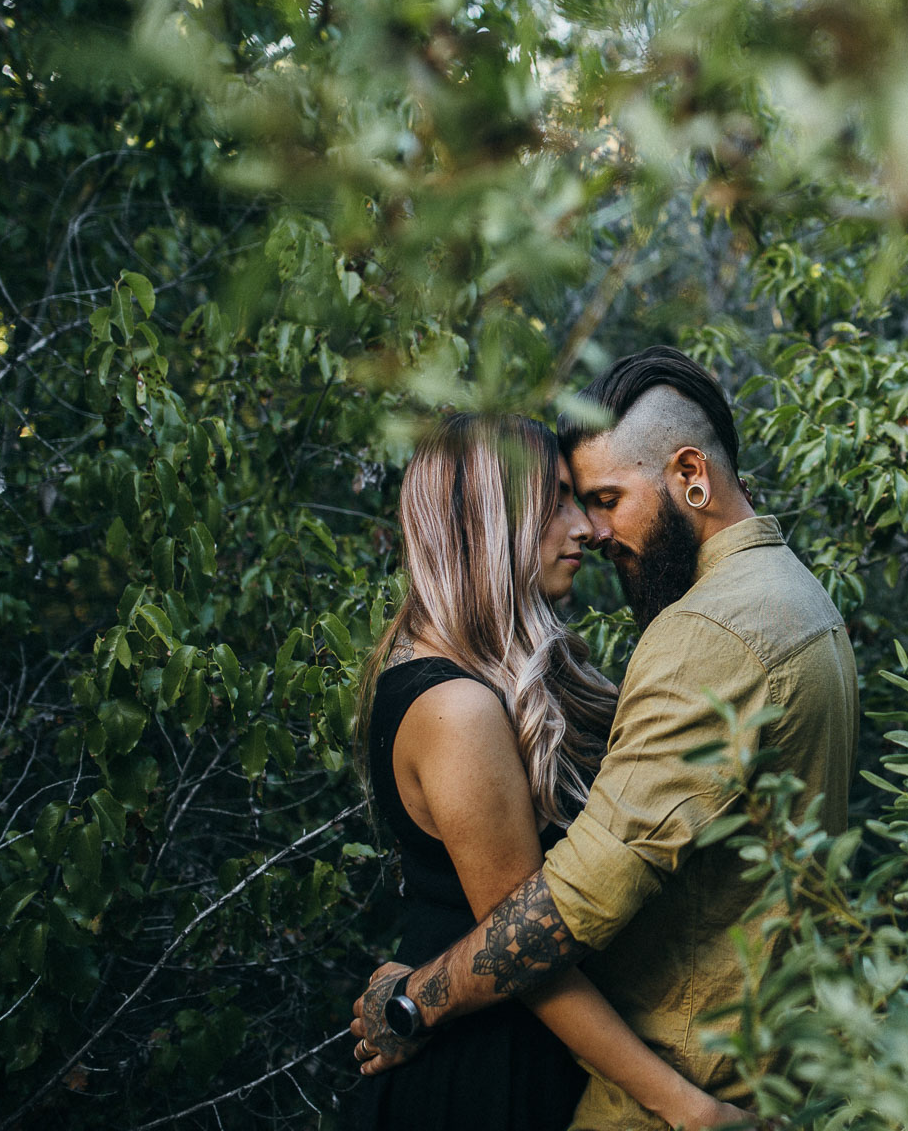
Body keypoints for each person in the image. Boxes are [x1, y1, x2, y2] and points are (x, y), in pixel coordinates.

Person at [350, 348, 860, 1131]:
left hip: (590, 1052)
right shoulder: (457, 706)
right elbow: (540, 912)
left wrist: (419, 994)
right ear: (495, 522)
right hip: (491, 1064)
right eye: (562, 501)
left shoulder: (699, 633)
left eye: (600, 498)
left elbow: (575, 902)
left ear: (691, 476)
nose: (588, 527)